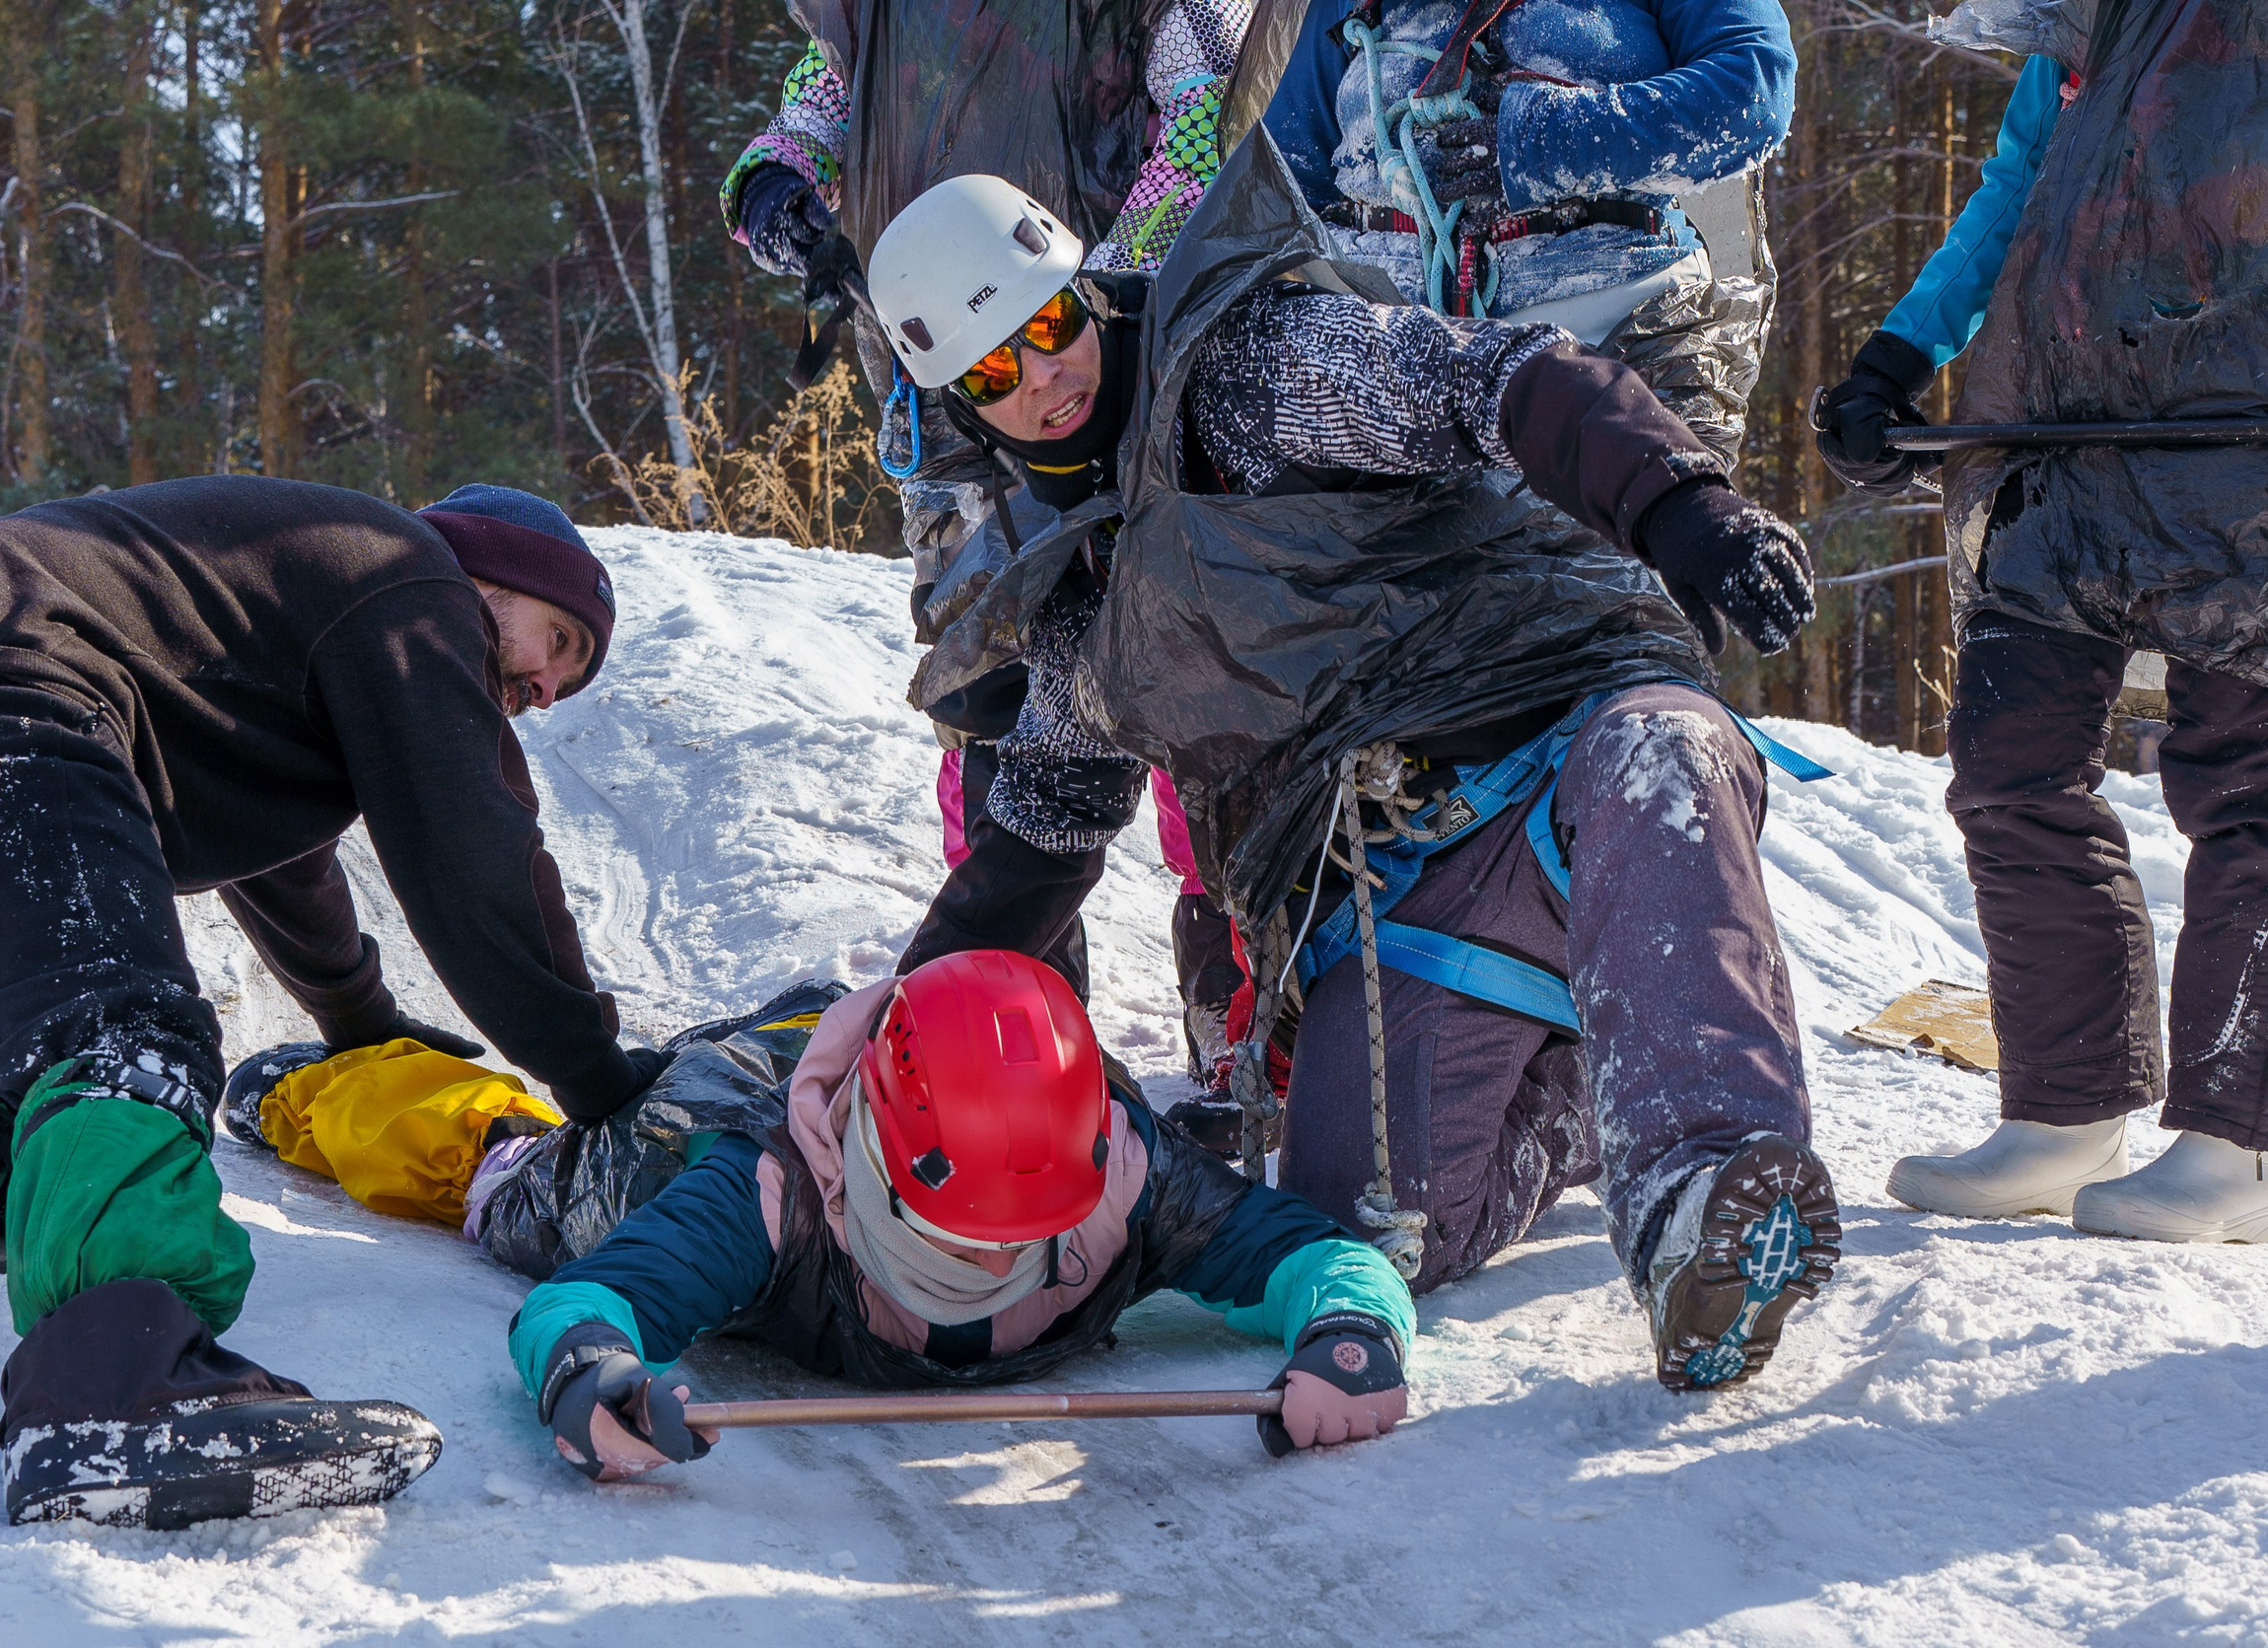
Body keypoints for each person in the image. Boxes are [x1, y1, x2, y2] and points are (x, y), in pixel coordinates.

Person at [876, 161, 1839, 1391]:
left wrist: (1679, 505)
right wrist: (890, 1037)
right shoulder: (1083, 596)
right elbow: (1039, 837)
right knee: (1363, 1229)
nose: (1044, 377)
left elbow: (1501, 379)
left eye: (1051, 325)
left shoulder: (1252, 370)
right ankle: (1598, 1081)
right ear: (965, 408)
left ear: (1088, 295)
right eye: (994, 372)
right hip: (1407, 896)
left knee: (1661, 753)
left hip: (1573, 741)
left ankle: (1705, 1195)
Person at [0, 476, 666, 1528]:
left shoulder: (308, 610)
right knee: (125, 1046)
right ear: (492, 572)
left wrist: (361, 1024)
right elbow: (480, 857)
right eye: (559, 642)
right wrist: (604, 1082)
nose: (544, 689)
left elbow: (285, 864)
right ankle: (117, 1392)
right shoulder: (412, 580)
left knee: (15, 1132)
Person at [724, 3, 1258, 1132]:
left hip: (1109, 367)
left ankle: (1245, 1003)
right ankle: (1021, 1019)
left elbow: (1209, 115)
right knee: (988, 697)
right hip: (952, 406)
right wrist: (777, 190)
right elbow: (815, 108)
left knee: (1183, 664)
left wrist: (1086, 291)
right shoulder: (872, 16)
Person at [1813, 0, 2268, 1243]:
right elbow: (2018, 187)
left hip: (2241, 445)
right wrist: (1897, 355)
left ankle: (2236, 1146)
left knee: (2244, 788)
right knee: (2008, 767)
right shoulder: (2088, 24)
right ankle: (2065, 1116)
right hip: (2065, 430)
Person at [457, 953, 1414, 1480]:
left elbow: (1321, 1259)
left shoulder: (1133, 1172)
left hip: (911, 1056)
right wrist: (591, 1376)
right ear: (875, 1159)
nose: (996, 1264)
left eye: (1029, 1232)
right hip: (708, 1111)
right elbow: (583, 1302)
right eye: (958, 1232)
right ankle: (423, 1107)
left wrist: (1353, 1336)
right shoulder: (768, 1194)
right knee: (527, 1200)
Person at [1257, 0, 1795, 469]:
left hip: (1616, 332)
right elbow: (1278, 182)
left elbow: (1753, 88)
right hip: (1386, 366)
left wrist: (1543, 140)